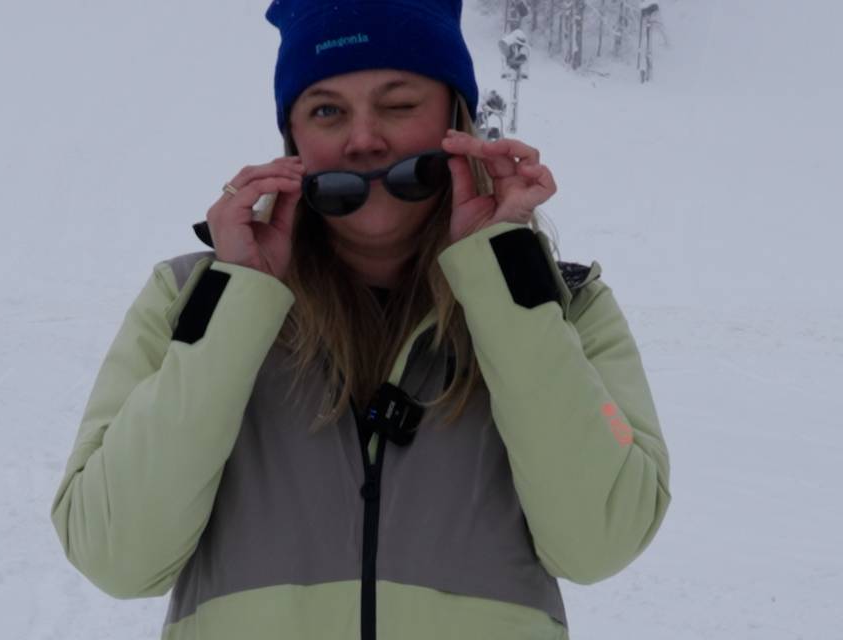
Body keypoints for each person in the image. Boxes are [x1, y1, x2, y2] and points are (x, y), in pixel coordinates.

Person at [50, 1, 670, 638]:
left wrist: (503, 277)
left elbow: (600, 540)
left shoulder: (561, 306)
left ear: (455, 121)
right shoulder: (190, 300)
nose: (364, 138)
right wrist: (241, 297)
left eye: (399, 105)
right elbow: (116, 557)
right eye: (327, 110)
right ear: (292, 139)